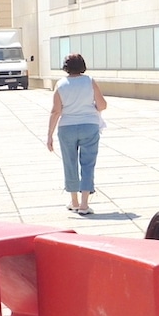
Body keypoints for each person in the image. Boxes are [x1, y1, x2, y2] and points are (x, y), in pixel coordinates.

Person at [46, 53, 107, 215]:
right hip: (89, 125)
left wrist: (49, 135)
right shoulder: (89, 81)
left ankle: (74, 201)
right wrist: (91, 108)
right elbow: (102, 105)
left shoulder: (60, 84)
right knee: (88, 164)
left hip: (67, 127)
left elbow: (56, 111)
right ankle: (85, 204)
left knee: (70, 163)